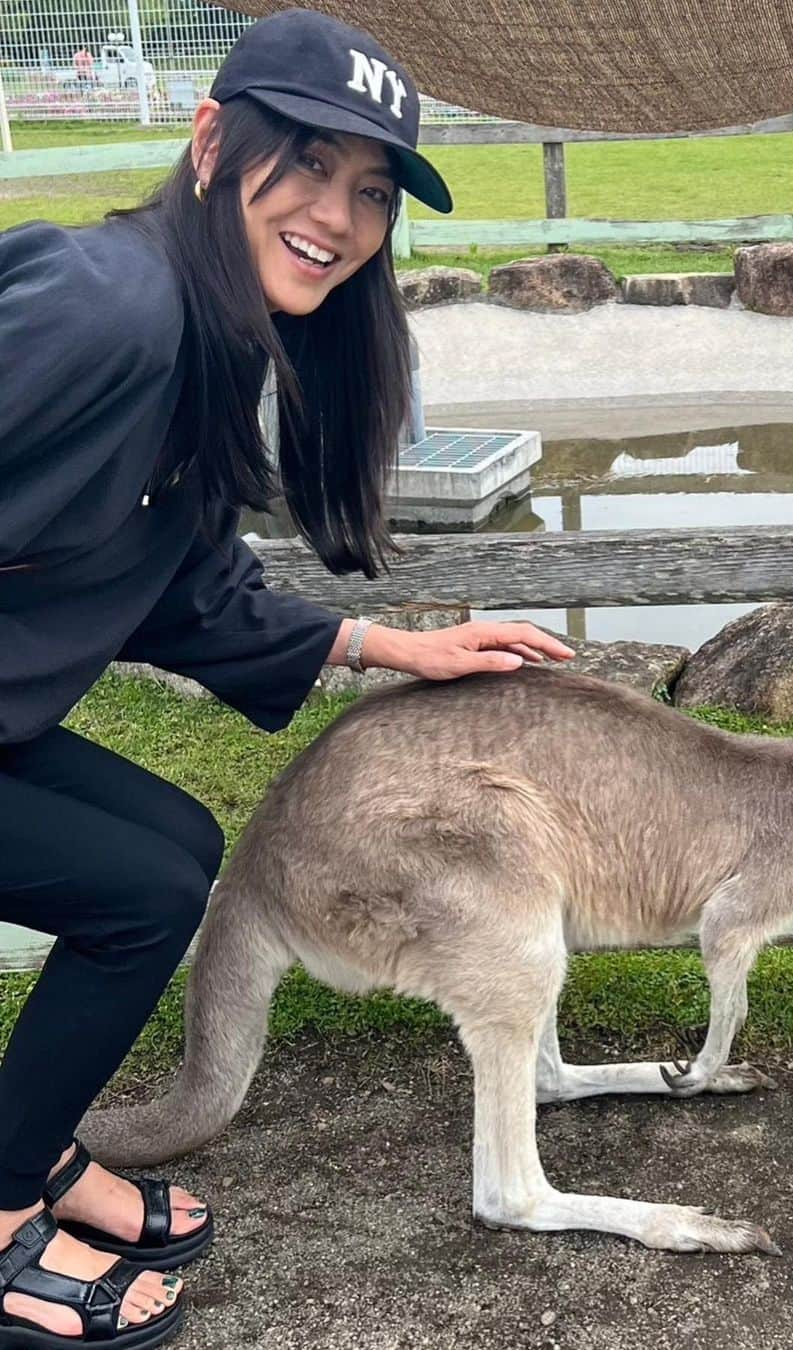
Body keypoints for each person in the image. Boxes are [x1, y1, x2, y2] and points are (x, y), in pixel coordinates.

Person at [0, 10, 573, 1346]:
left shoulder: (201, 332)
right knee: (141, 892)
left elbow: (180, 582)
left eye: (370, 189)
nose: (338, 215)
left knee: (175, 840)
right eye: (306, 165)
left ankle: (25, 1149)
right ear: (212, 141)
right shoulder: (112, 311)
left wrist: (389, 645)